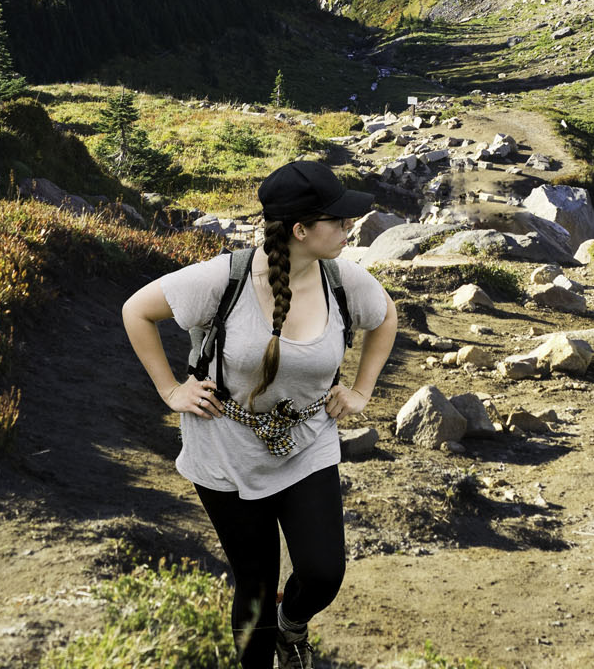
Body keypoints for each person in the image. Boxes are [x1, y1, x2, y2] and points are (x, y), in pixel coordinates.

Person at [122, 160, 398, 669]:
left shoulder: (344, 280)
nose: (348, 228)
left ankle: (291, 626)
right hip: (225, 447)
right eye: (337, 221)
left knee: (322, 573)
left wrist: (361, 389)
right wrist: (170, 389)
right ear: (300, 229)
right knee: (255, 582)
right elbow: (135, 310)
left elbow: (385, 316)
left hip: (306, 441)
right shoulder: (222, 278)